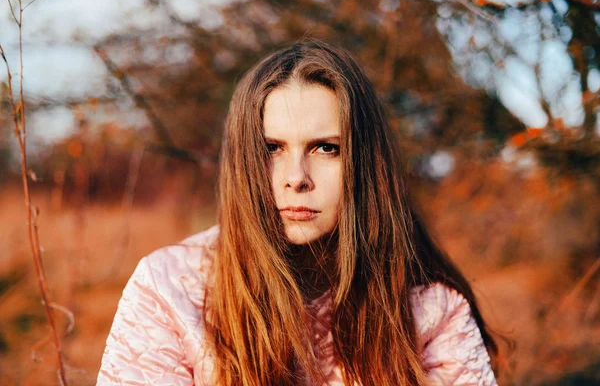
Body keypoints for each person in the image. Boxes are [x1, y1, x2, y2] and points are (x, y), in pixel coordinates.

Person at [97, 40, 499, 385]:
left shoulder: (431, 310)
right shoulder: (169, 293)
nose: (296, 178)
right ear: (244, 161)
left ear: (365, 163)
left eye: (326, 148)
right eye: (272, 148)